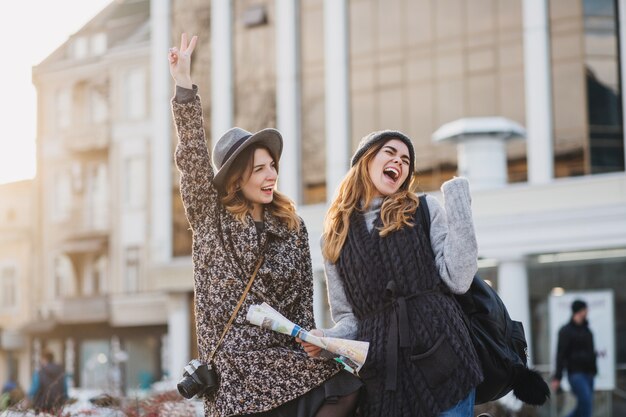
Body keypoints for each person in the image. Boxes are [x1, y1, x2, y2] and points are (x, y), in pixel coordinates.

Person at [169, 33, 361, 417]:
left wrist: (312, 341)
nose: (272, 174)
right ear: (237, 179)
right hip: (236, 367)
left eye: (273, 165)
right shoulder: (212, 221)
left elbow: (301, 303)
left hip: (284, 356)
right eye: (260, 168)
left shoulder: (292, 226)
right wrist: (183, 85)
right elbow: (192, 160)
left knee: (349, 386)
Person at [302, 131, 483, 416]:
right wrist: (325, 341)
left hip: (444, 361)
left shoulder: (422, 210)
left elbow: (459, 279)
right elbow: (349, 318)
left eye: (405, 160)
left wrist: (459, 200)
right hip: (385, 378)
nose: (398, 162)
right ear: (366, 160)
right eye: (390, 153)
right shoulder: (334, 239)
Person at [551, 299, 597, 417]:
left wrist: (593, 370)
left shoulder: (587, 331)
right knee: (586, 402)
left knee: (582, 406)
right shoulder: (566, 331)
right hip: (575, 374)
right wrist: (557, 377)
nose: (587, 311)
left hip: (589, 374)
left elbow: (591, 352)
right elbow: (560, 354)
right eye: (585, 309)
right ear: (579, 311)